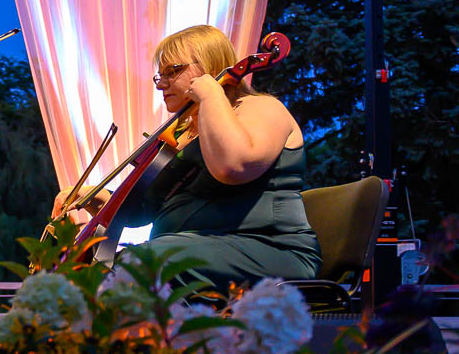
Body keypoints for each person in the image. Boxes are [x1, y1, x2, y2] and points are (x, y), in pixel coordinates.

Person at [54, 24, 321, 287]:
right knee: (104, 272)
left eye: (172, 71)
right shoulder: (183, 134)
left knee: (141, 263)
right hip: (191, 249)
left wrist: (211, 95)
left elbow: (234, 166)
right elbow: (143, 210)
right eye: (160, 76)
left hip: (270, 249)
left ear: (209, 66)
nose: (161, 84)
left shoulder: (262, 108)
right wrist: (90, 196)